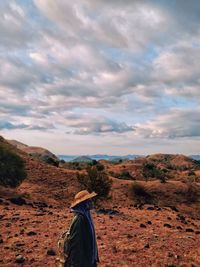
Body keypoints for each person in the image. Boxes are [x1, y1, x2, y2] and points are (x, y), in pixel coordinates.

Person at [64, 190, 99, 267]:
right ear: (84, 203)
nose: (91, 202)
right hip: (83, 262)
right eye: (89, 200)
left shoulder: (86, 215)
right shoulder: (79, 219)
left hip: (89, 259)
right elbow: (76, 244)